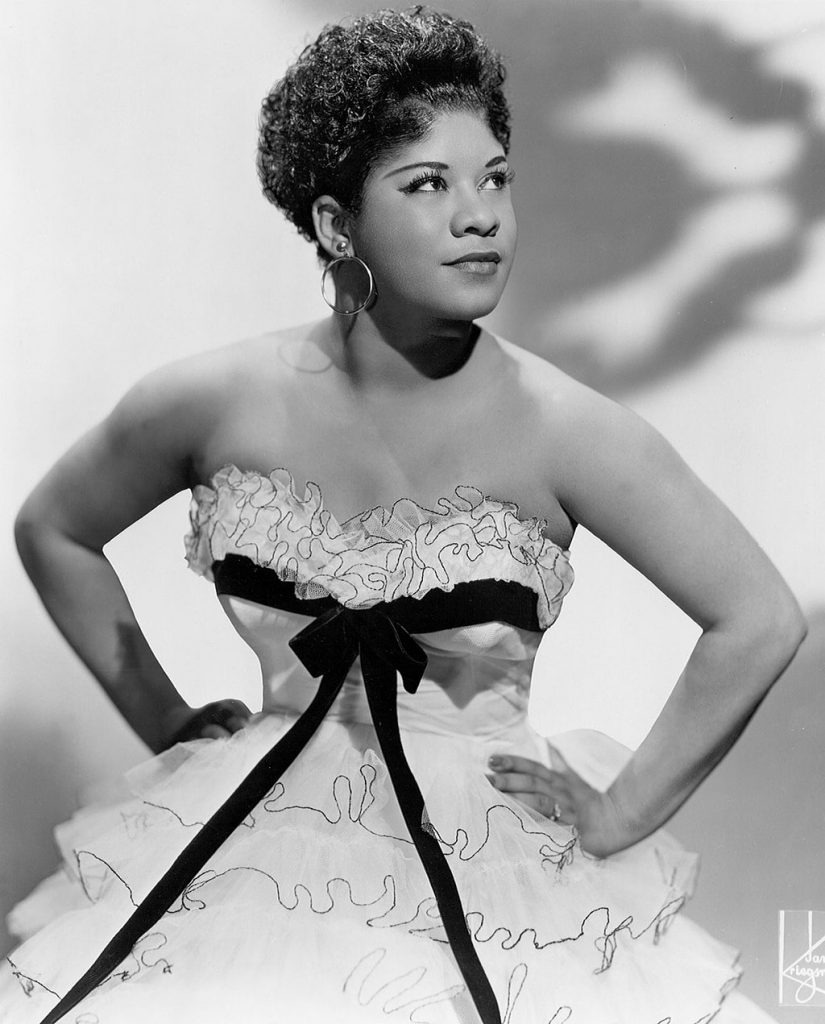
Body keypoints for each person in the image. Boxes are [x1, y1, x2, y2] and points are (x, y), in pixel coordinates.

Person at [1, 6, 805, 1023]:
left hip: (493, 867)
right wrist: (167, 723)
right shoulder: (212, 401)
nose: (483, 216)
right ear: (338, 223)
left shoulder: (569, 428)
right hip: (252, 860)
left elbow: (759, 618)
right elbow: (54, 529)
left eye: (497, 177)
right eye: (429, 184)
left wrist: (619, 814)